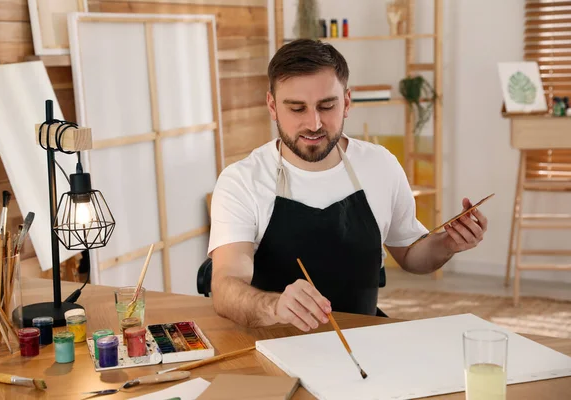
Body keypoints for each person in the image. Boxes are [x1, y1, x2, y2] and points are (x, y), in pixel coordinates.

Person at [207, 39, 488, 332]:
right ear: (272, 106)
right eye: (297, 109)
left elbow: (412, 255)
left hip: (364, 342)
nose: (314, 123)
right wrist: (274, 306)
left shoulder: (380, 165)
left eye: (327, 106)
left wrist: (448, 243)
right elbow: (226, 287)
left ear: (347, 102)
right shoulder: (241, 180)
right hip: (273, 348)